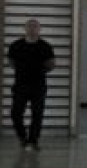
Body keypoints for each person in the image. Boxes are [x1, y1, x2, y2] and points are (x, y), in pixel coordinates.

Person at [8, 18, 55, 150]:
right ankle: (23, 137)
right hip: (20, 85)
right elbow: (11, 63)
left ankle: (33, 141)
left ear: (39, 29)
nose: (32, 29)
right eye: (30, 26)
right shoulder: (16, 45)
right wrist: (24, 70)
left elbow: (51, 65)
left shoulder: (45, 46)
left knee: (37, 114)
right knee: (15, 113)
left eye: (35, 26)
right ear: (25, 28)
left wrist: (38, 71)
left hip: (38, 86)